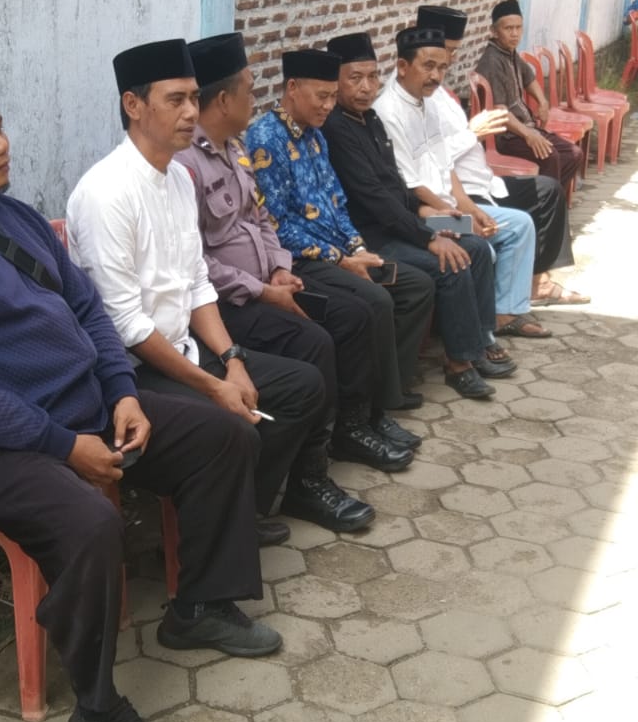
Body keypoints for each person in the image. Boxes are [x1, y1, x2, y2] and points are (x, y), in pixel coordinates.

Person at [0, 70, 280, 722]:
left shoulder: (15, 216)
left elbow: (89, 309)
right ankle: (97, 706)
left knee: (223, 434)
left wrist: (122, 393)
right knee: (88, 523)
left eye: (0, 127)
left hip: (85, 409)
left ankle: (200, 605)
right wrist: (61, 445)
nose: (3, 144)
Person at [67, 38, 328, 561]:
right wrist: (213, 385)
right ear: (133, 105)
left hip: (185, 347)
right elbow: (125, 324)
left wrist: (232, 360)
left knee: (303, 386)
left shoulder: (179, 180)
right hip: (131, 371)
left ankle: (237, 513)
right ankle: (204, 576)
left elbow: (196, 283)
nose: (191, 112)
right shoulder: (106, 193)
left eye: (193, 97)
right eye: (175, 100)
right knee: (233, 429)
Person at [179, 32, 382, 531]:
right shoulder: (186, 165)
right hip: (223, 305)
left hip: (267, 282)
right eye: (249, 90)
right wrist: (262, 289)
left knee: (343, 318)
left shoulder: (235, 148)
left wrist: (277, 268)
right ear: (223, 100)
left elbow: (262, 219)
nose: (256, 100)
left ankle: (315, 464)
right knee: (315, 341)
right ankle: (297, 482)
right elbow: (197, 262)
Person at [245, 48, 435, 460]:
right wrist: (340, 259)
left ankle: (377, 410)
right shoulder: (265, 140)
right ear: (292, 88)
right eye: (322, 96)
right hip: (299, 259)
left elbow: (337, 203)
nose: (329, 106)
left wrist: (358, 249)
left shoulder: (316, 135)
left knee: (408, 283)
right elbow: (275, 225)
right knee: (372, 302)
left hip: (337, 251)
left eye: (333, 96)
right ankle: (352, 425)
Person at [324, 32, 507, 401]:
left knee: (474, 243)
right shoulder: (336, 129)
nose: (366, 87)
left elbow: (395, 183)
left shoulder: (369, 119)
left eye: (372, 77)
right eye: (355, 78)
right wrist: (429, 236)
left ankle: (478, 343)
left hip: (405, 220)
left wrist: (433, 213)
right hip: (372, 234)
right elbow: (376, 200)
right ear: (335, 82)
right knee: (451, 262)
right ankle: (459, 365)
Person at [419, 3, 588, 314]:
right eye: (443, 54)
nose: (448, 62)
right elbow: (425, 165)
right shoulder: (409, 103)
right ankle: (506, 308)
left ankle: (538, 283)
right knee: (532, 203)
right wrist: (473, 132)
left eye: (452, 53)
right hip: (457, 196)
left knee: (549, 190)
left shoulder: (439, 93)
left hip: (482, 183)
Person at [475, 0, 583, 197]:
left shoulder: (510, 53)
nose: (514, 33)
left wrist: (543, 101)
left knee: (573, 154)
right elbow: (500, 112)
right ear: (494, 31)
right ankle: (544, 207)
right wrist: (528, 135)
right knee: (550, 157)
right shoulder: (492, 61)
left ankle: (549, 200)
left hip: (524, 128)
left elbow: (529, 78)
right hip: (505, 136)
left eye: (518, 28)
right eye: (508, 28)